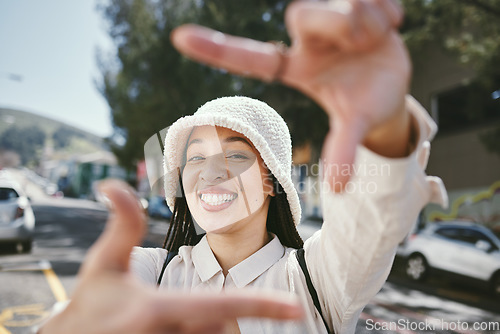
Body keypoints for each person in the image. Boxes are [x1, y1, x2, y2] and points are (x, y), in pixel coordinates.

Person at [39, 0, 447, 333]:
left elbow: (370, 217)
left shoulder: (316, 279)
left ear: (272, 180)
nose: (209, 172)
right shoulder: (149, 271)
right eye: (195, 157)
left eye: (236, 155)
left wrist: (385, 126)